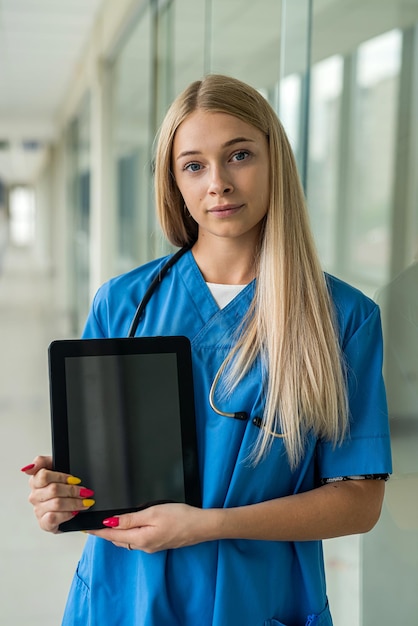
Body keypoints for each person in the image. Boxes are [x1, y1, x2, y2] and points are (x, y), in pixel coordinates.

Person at [22, 74, 392, 626]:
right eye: (193, 165)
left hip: (258, 599)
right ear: (174, 182)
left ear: (275, 162)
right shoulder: (123, 304)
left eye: (239, 155)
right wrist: (65, 501)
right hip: (127, 596)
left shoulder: (342, 316)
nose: (217, 182)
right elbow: (104, 477)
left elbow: (359, 502)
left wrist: (209, 525)